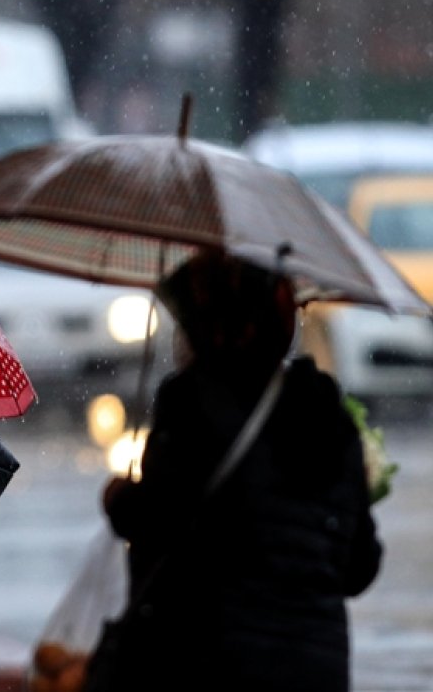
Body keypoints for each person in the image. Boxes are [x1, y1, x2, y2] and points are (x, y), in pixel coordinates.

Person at [97, 251, 383, 692]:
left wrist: (119, 499)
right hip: (314, 670)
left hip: (208, 660)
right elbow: (358, 569)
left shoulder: (190, 401)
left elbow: (157, 522)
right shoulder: (330, 417)